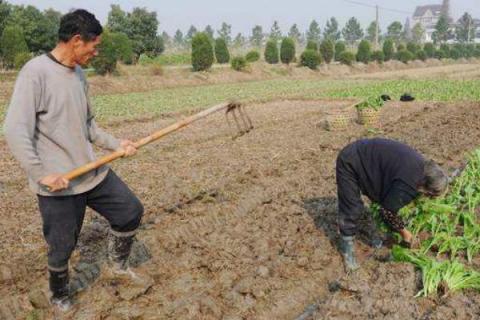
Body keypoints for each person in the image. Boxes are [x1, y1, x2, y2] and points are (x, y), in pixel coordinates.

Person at [4, 9, 144, 311]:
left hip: (91, 172)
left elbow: (88, 125)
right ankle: (59, 294)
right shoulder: (35, 73)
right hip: (59, 183)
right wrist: (41, 174)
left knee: (130, 211)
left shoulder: (79, 74)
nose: (96, 52)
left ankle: (117, 267)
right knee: (62, 246)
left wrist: (117, 144)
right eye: (94, 46)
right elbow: (15, 129)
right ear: (77, 40)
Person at [335, 138, 448, 271]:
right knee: (352, 207)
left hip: (368, 155)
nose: (427, 198)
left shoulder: (422, 167)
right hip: (351, 160)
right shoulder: (408, 183)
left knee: (383, 198)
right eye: (430, 196)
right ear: (426, 188)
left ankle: (370, 233)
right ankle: (347, 247)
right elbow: (386, 212)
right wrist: (405, 234)